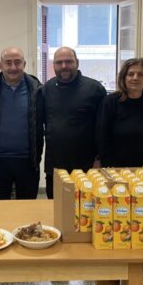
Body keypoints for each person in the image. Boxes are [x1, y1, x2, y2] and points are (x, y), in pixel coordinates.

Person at [95, 57, 143, 285]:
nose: (135, 78)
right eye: (131, 74)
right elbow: (101, 135)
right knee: (114, 224)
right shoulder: (111, 102)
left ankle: (136, 274)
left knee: (139, 226)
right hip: (116, 173)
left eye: (140, 74)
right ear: (123, 77)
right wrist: (109, 169)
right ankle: (113, 275)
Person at [0, 46, 43, 200]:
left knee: (28, 207)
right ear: (0, 65)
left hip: (28, 162)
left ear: (24, 64)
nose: (13, 67)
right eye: (8, 63)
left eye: (17, 62)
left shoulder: (37, 89)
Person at [40, 47, 106, 199]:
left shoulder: (94, 89)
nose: (64, 66)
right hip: (56, 168)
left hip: (88, 168)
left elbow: (103, 129)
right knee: (55, 207)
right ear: (54, 65)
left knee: (87, 207)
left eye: (68, 61)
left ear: (77, 62)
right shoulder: (46, 89)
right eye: (59, 62)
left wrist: (99, 159)